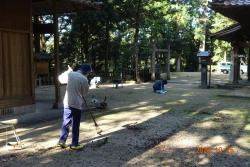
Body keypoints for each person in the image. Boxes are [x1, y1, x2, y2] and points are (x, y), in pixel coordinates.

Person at [57, 63, 92, 150]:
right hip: (76, 103)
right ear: (86, 72)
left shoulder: (70, 74)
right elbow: (85, 93)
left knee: (66, 122)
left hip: (67, 102)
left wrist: (67, 72)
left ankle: (61, 141)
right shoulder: (83, 78)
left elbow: (60, 79)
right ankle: (74, 144)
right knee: (75, 124)